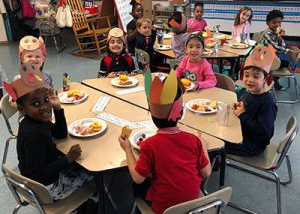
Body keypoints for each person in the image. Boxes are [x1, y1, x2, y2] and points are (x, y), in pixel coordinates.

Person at [118, 69, 211, 214]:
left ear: (151, 114)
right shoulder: (194, 140)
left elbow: (137, 178)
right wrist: (203, 146)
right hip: (194, 205)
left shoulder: (150, 144)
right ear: (180, 113)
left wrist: (128, 150)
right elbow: (206, 172)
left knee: (136, 185)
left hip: (164, 209)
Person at [3, 66, 95, 203]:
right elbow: (38, 173)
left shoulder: (37, 120)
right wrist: (68, 159)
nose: (44, 107)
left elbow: (61, 134)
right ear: (22, 109)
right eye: (35, 104)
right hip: (45, 188)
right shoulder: (33, 134)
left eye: (46, 100)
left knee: (83, 163)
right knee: (94, 175)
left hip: (47, 173)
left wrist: (57, 108)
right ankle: (92, 204)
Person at [226, 45, 278, 156]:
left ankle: (216, 161)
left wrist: (242, 114)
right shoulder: (252, 92)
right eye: (246, 75)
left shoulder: (267, 103)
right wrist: (242, 105)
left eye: (256, 76)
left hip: (252, 145)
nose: (250, 80)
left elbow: (263, 130)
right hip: (242, 132)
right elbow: (251, 107)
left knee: (218, 143)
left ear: (266, 79)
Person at [261, 9, 300, 89]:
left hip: (274, 58)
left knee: (286, 63)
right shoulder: (267, 34)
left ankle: (273, 79)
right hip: (265, 60)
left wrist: (279, 38)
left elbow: (283, 45)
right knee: (285, 63)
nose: (277, 25)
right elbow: (275, 48)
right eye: (274, 22)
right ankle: (271, 79)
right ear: (268, 23)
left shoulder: (276, 33)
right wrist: (289, 51)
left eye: (279, 22)